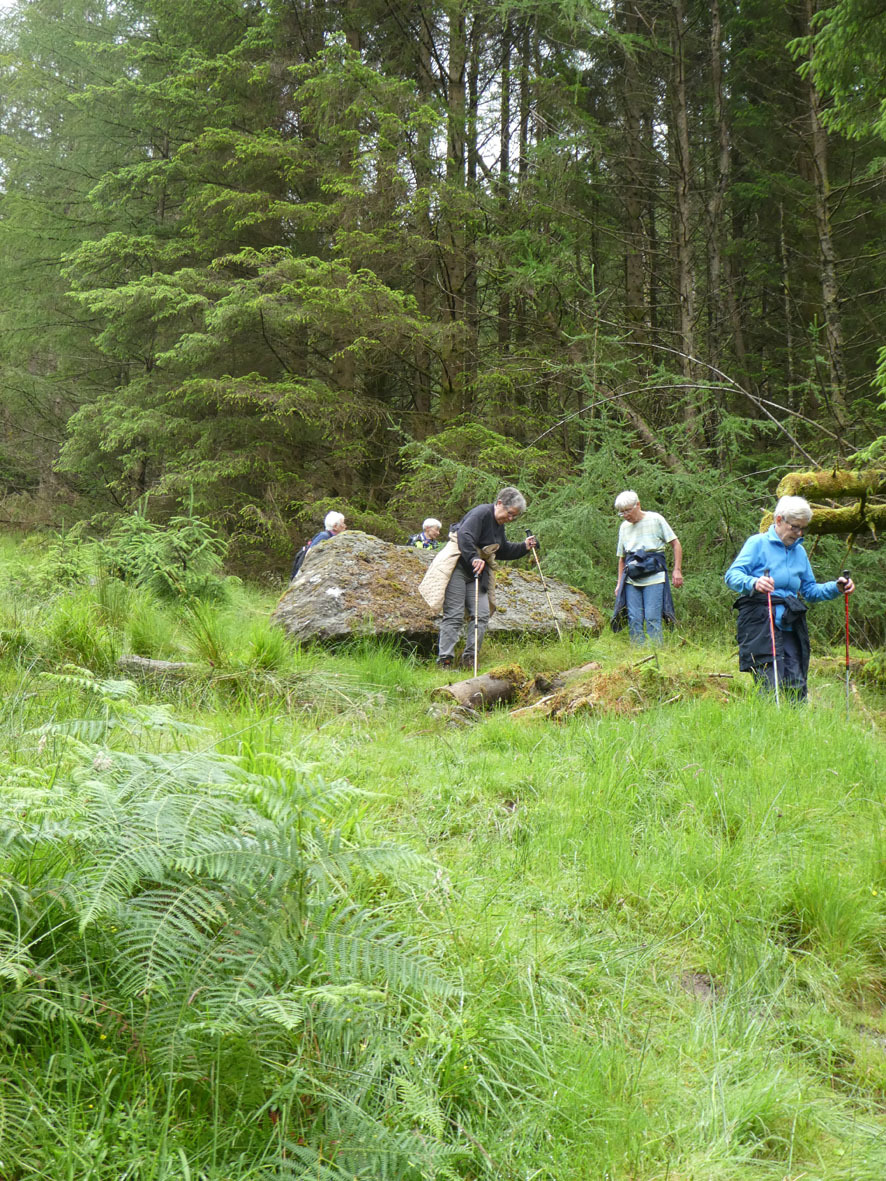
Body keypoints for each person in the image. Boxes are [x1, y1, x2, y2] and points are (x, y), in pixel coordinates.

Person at [724, 495, 854, 700]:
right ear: (779, 520)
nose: (799, 533)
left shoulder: (799, 552)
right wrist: (754, 583)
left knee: (796, 684)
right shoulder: (757, 543)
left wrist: (836, 587)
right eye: (795, 527)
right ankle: (765, 719)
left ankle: (797, 719)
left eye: (803, 528)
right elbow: (732, 576)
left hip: (789, 624)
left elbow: (810, 591)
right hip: (760, 621)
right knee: (768, 683)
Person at [437, 487, 537, 669]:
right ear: (499, 503)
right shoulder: (481, 513)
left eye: (514, 516)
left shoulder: (499, 525)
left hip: (478, 572)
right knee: (454, 615)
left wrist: (524, 547)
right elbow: (465, 535)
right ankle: (445, 660)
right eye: (510, 513)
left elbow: (502, 550)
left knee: (482, 614)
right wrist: (473, 557)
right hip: (459, 566)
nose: (510, 518)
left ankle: (470, 658)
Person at [612, 490, 683, 644]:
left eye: (627, 511)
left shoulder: (656, 519)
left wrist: (677, 570)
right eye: (621, 512)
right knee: (634, 618)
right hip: (631, 578)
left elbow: (676, 544)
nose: (625, 515)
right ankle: (638, 652)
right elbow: (622, 559)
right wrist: (619, 584)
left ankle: (655, 651)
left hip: (654, 576)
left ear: (638, 505)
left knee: (652, 617)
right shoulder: (624, 527)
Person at [290, 511, 346, 579]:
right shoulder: (324, 536)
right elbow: (309, 553)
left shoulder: (332, 537)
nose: (345, 526)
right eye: (343, 523)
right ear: (335, 526)